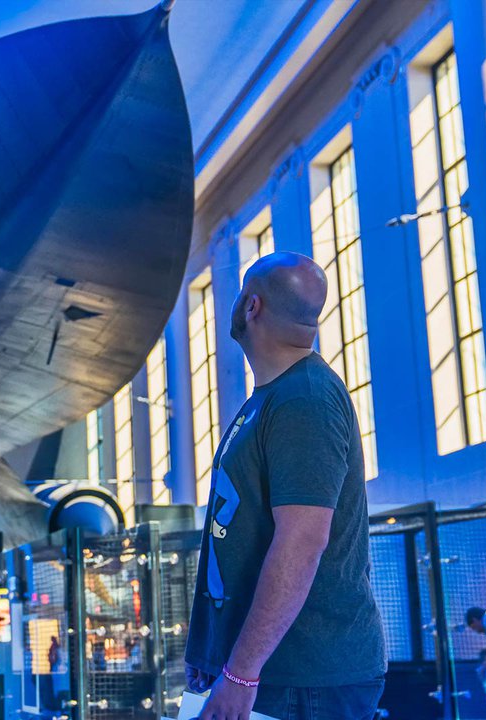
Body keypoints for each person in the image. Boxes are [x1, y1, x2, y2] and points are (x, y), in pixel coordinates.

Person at [185, 252, 386, 720]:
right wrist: (212, 649)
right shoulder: (272, 396)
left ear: (251, 306)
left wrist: (241, 674)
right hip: (267, 673)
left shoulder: (305, 400)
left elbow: (301, 542)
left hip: (302, 678)